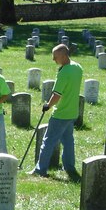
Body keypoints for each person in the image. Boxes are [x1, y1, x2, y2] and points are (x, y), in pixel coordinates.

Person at [31, 43, 83, 180]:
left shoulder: (64, 72)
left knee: (48, 142)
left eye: (56, 57)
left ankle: (40, 170)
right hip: (72, 112)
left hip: (61, 113)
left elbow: (57, 95)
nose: (54, 60)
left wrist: (48, 105)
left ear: (64, 56)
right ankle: (69, 167)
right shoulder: (78, 67)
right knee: (68, 141)